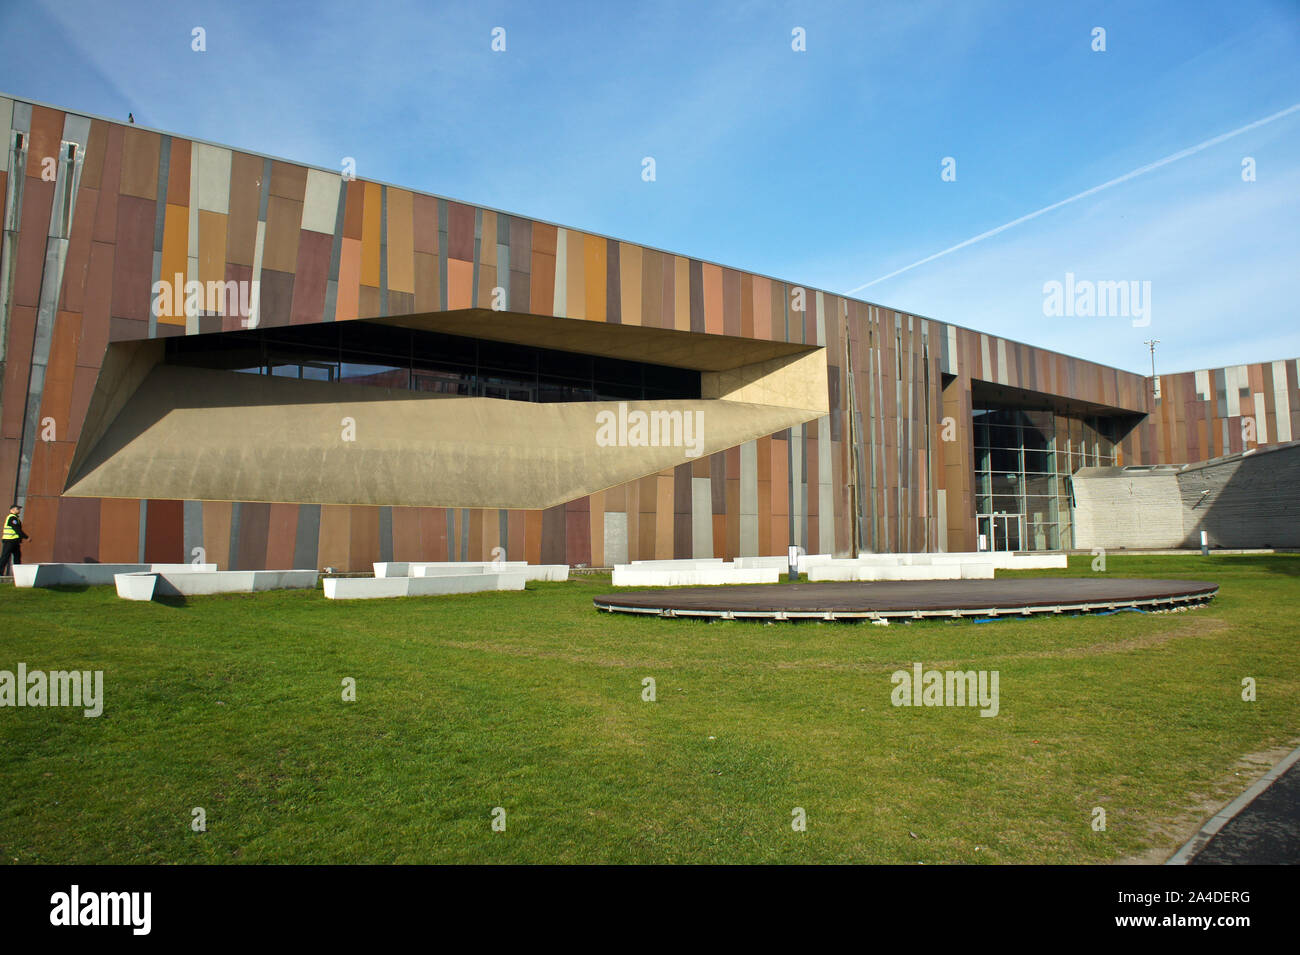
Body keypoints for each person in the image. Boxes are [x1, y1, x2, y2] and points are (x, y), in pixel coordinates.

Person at [1, 504, 29, 576]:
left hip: (14, 541)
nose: (19, 510)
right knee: (5, 557)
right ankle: (0, 573)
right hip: (9, 541)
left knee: (17, 557)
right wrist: (26, 537)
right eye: (17, 509)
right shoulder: (12, 518)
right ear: (12, 510)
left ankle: (18, 574)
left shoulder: (16, 518)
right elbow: (17, 530)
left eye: (19, 509)